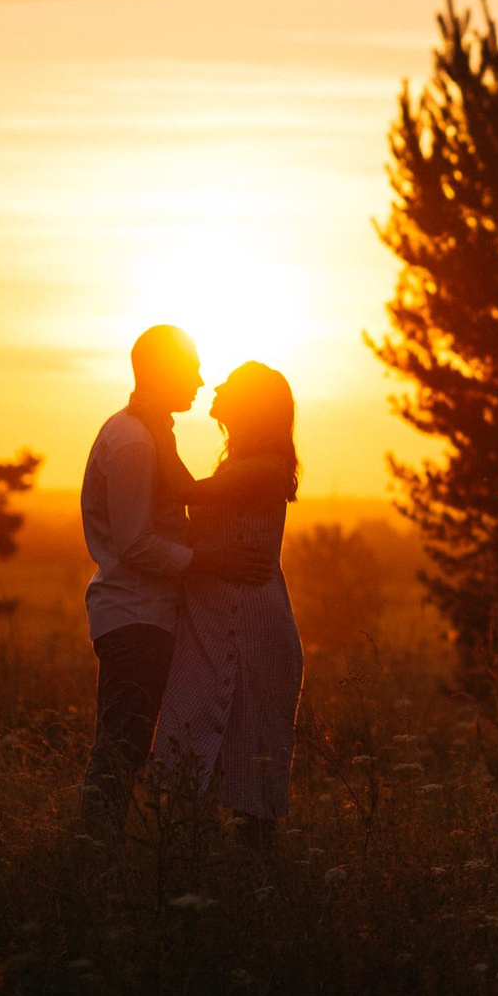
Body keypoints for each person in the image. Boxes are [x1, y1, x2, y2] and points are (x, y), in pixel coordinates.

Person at [78, 326, 265, 830]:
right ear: (163, 372)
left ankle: (101, 853)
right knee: (122, 748)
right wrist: (211, 562)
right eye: (192, 368)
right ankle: (95, 856)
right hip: (137, 618)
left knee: (128, 745)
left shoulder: (148, 431)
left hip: (144, 616)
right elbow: (136, 543)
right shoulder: (136, 441)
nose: (202, 381)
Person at [152, 360, 306, 842]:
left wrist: (153, 424)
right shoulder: (243, 462)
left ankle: (254, 889)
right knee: (199, 740)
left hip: (250, 626)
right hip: (220, 621)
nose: (216, 385)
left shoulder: (264, 467)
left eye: (231, 384)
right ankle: (199, 870)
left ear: (252, 405)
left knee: (249, 761)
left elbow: (183, 491)